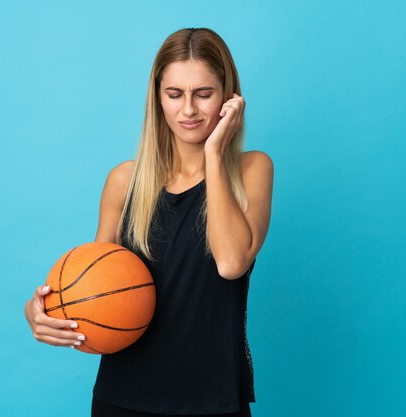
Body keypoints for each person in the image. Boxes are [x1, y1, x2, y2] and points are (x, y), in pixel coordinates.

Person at [24, 27, 274, 417]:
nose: (188, 110)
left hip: (213, 400)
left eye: (203, 94)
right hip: (121, 398)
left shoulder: (251, 170)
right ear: (157, 99)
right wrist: (41, 313)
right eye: (174, 94)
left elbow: (230, 263)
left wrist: (214, 153)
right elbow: (92, 288)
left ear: (229, 97)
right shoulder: (125, 182)